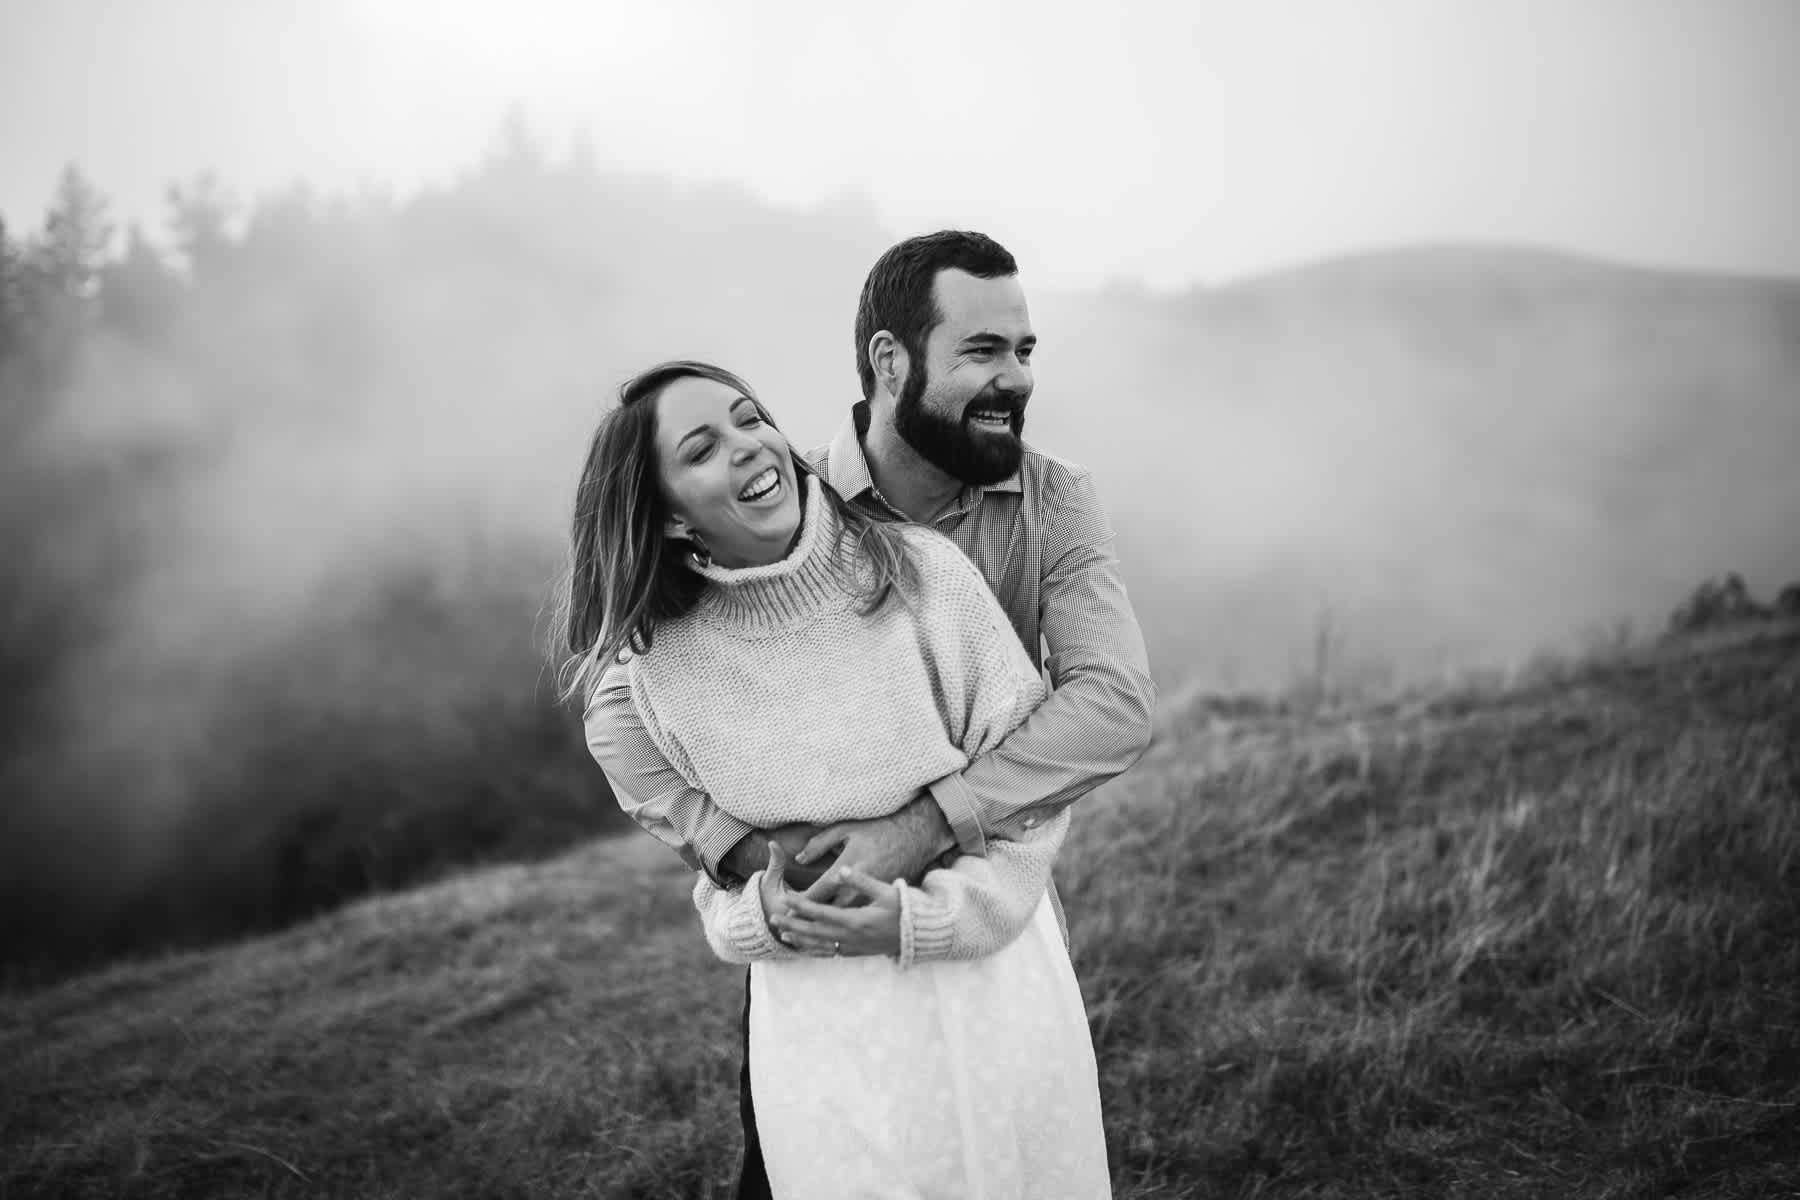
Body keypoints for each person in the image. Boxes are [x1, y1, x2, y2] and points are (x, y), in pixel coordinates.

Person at [583, 231, 1156, 1195]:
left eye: (1024, 352)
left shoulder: (1054, 503)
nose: (1013, 378)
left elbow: (1112, 706)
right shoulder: (783, 506)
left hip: (981, 900)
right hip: (818, 932)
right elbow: (621, 700)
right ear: (892, 363)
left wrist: (922, 827)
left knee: (1002, 1153)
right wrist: (742, 855)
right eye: (981, 351)